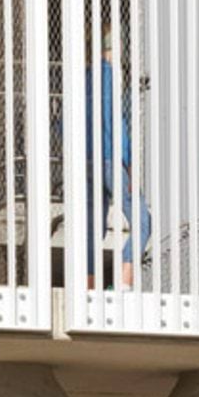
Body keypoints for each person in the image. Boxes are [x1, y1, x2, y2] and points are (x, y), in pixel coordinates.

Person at [83, 24, 151, 290]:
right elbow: (115, 123)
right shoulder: (111, 76)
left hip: (85, 160)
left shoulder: (84, 77)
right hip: (110, 159)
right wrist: (130, 163)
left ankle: (87, 285)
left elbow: (61, 124)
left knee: (93, 226)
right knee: (142, 221)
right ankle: (123, 284)